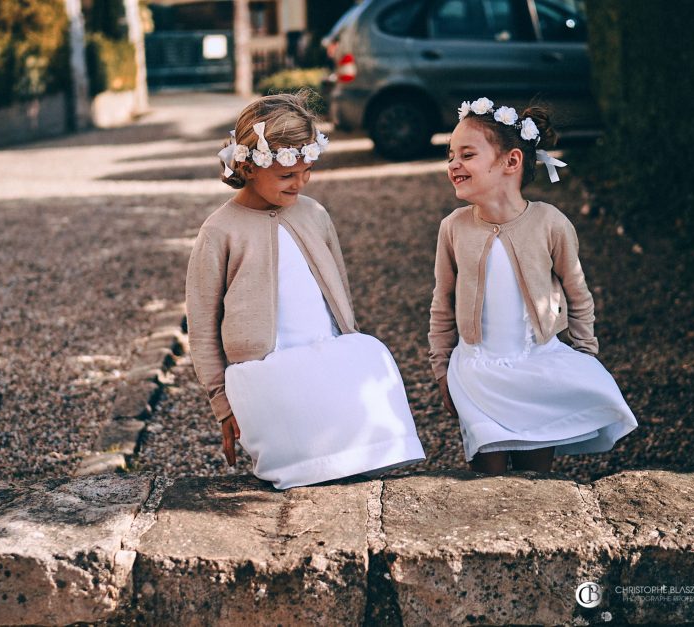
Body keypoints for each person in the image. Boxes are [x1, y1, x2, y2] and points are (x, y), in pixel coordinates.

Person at [186, 93, 425, 489]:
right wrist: (222, 405)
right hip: (266, 372)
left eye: (307, 171)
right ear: (247, 166)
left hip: (325, 354)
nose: (300, 183)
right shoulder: (219, 231)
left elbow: (340, 298)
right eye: (286, 176)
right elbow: (202, 325)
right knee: (293, 411)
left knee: (373, 354)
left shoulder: (314, 214)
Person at [429, 97, 638, 475]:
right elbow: (442, 303)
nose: (453, 164)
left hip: (535, 370)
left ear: (511, 161)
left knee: (536, 477)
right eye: (450, 156)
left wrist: (585, 354)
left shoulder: (550, 223)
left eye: (466, 154)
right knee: (487, 477)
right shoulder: (454, 228)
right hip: (477, 373)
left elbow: (578, 293)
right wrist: (442, 368)